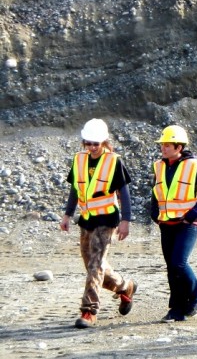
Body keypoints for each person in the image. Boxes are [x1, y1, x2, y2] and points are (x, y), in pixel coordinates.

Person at [59, 119, 137, 329]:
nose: (92, 147)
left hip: (107, 219)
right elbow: (75, 189)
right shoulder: (79, 160)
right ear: (84, 142)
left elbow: (124, 193)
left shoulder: (113, 161)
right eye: (89, 143)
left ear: (104, 142)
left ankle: (89, 311)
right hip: (86, 219)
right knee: (93, 266)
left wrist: (125, 221)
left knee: (95, 265)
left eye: (96, 143)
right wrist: (67, 215)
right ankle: (125, 286)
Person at [150, 124, 197, 323]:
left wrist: (192, 214)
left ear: (179, 147)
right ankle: (176, 310)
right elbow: (156, 191)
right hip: (166, 224)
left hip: (187, 224)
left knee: (179, 262)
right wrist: (155, 214)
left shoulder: (193, 165)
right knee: (172, 268)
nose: (163, 148)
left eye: (167, 145)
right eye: (162, 145)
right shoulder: (159, 166)